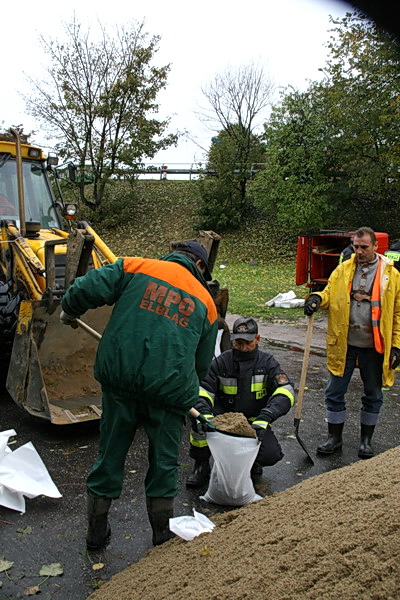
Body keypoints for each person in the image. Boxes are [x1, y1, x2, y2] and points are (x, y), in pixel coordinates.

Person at [60, 241, 218, 550]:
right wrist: (179, 388)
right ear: (200, 266)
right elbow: (201, 365)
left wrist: (69, 309)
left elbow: (89, 285)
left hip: (121, 385)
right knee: (164, 463)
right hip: (169, 396)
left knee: (110, 454)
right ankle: (161, 536)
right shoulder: (207, 303)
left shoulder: (137, 266)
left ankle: (96, 532)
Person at [304, 226, 400, 459]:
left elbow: (397, 313)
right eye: (356, 247)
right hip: (344, 344)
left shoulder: (391, 274)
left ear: (376, 247)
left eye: (364, 247)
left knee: (373, 394)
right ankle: (334, 438)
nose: (359, 251)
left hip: (374, 345)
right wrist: (316, 298)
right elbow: (328, 293)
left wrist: (397, 345)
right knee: (334, 392)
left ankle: (366, 441)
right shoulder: (343, 269)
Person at [186, 316, 295, 488]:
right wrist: (204, 414)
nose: (244, 348)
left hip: (254, 424)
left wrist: (266, 416)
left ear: (257, 339)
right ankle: (201, 465)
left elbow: (286, 391)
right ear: (232, 340)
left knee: (271, 455)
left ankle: (254, 462)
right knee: (197, 421)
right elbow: (202, 391)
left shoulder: (268, 363)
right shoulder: (221, 362)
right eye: (239, 343)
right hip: (222, 422)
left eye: (248, 343)